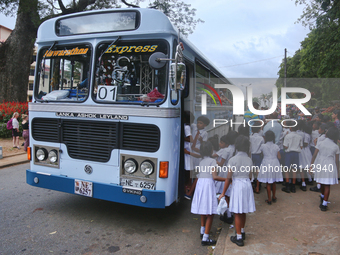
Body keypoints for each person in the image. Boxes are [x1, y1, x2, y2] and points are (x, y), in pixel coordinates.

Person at [219, 136, 256, 247]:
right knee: (243, 211)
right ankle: (242, 231)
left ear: (237, 146)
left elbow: (228, 178)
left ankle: (239, 237)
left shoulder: (233, 160)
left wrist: (223, 193)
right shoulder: (249, 159)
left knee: (237, 213)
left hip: (238, 185)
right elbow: (250, 177)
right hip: (246, 185)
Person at [191, 141, 226, 246]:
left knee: (203, 209)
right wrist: (227, 179)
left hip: (200, 185)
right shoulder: (213, 161)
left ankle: (202, 231)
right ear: (211, 150)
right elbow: (215, 177)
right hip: (208, 186)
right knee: (210, 213)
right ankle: (205, 238)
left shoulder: (201, 161)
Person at [310, 127, 339, 211]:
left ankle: (322, 196)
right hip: (330, 164)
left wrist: (311, 166)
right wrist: (337, 171)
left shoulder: (321, 143)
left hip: (320, 163)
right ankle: (324, 204)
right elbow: (337, 161)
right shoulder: (335, 146)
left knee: (321, 182)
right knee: (327, 185)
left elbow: (314, 155)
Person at [257, 130, 282, 204]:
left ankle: (269, 199)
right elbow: (279, 157)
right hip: (274, 163)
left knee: (268, 182)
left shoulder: (263, 146)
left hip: (266, 162)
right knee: (273, 182)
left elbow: (260, 153)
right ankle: (274, 197)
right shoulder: (276, 146)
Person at [282, 122, 303, 193]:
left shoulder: (287, 136)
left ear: (290, 128)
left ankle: (287, 185)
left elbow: (286, 146)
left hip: (288, 153)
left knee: (287, 170)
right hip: (296, 154)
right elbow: (301, 146)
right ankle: (293, 186)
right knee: (294, 170)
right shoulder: (299, 136)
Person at [250, 126, 264, 194]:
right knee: (258, 171)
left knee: (251, 171)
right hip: (258, 155)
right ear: (259, 130)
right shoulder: (261, 138)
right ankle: (258, 187)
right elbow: (262, 147)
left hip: (251, 155)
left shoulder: (250, 137)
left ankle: (251, 185)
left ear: (252, 130)